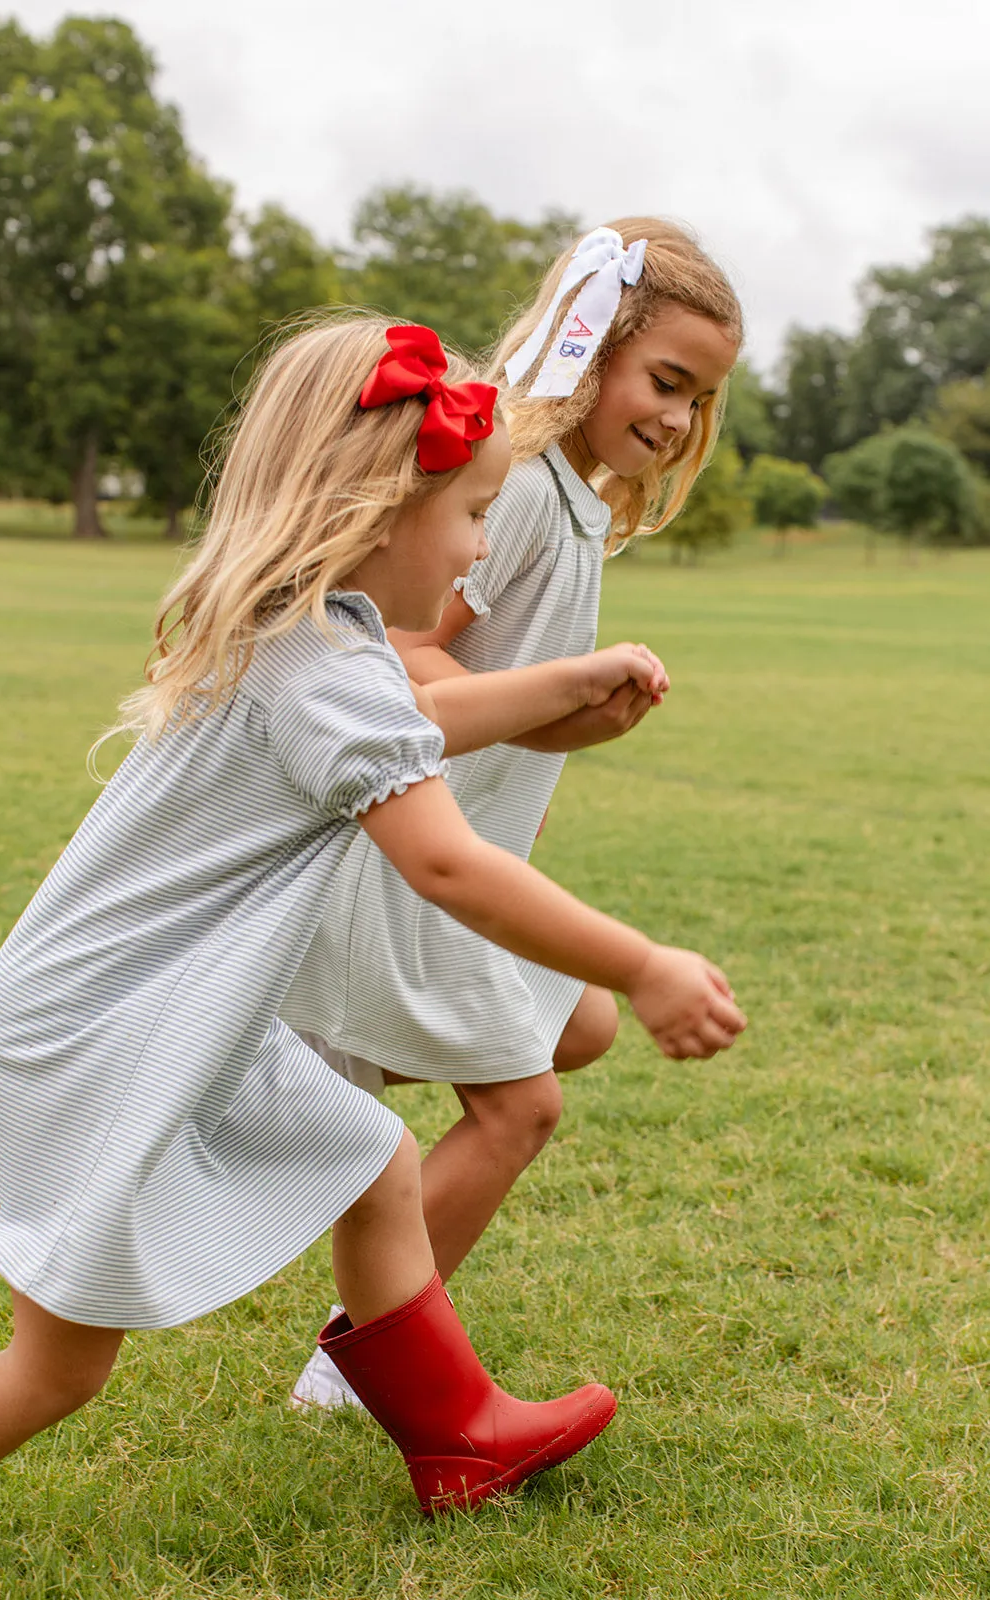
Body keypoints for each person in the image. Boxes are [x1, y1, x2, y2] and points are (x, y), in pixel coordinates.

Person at [0, 316, 745, 1531]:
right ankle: (452, 1429)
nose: (477, 553)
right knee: (55, 1372)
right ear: (376, 512)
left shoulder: (317, 634)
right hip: (110, 1032)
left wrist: (565, 684)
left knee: (375, 1160)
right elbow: (448, 863)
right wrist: (642, 964)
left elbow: (411, 726)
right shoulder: (319, 661)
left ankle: (456, 1437)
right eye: (468, 514)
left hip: (165, 1012)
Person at [282, 221, 745, 1409]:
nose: (676, 420)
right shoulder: (521, 492)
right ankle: (361, 1363)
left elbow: (496, 704)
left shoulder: (571, 503)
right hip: (401, 864)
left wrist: (565, 723)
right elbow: (394, 653)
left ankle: (343, 1099)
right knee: (521, 1101)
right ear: (591, 353)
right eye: (663, 383)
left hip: (458, 859)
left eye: (698, 401)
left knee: (576, 1028)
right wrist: (546, 701)